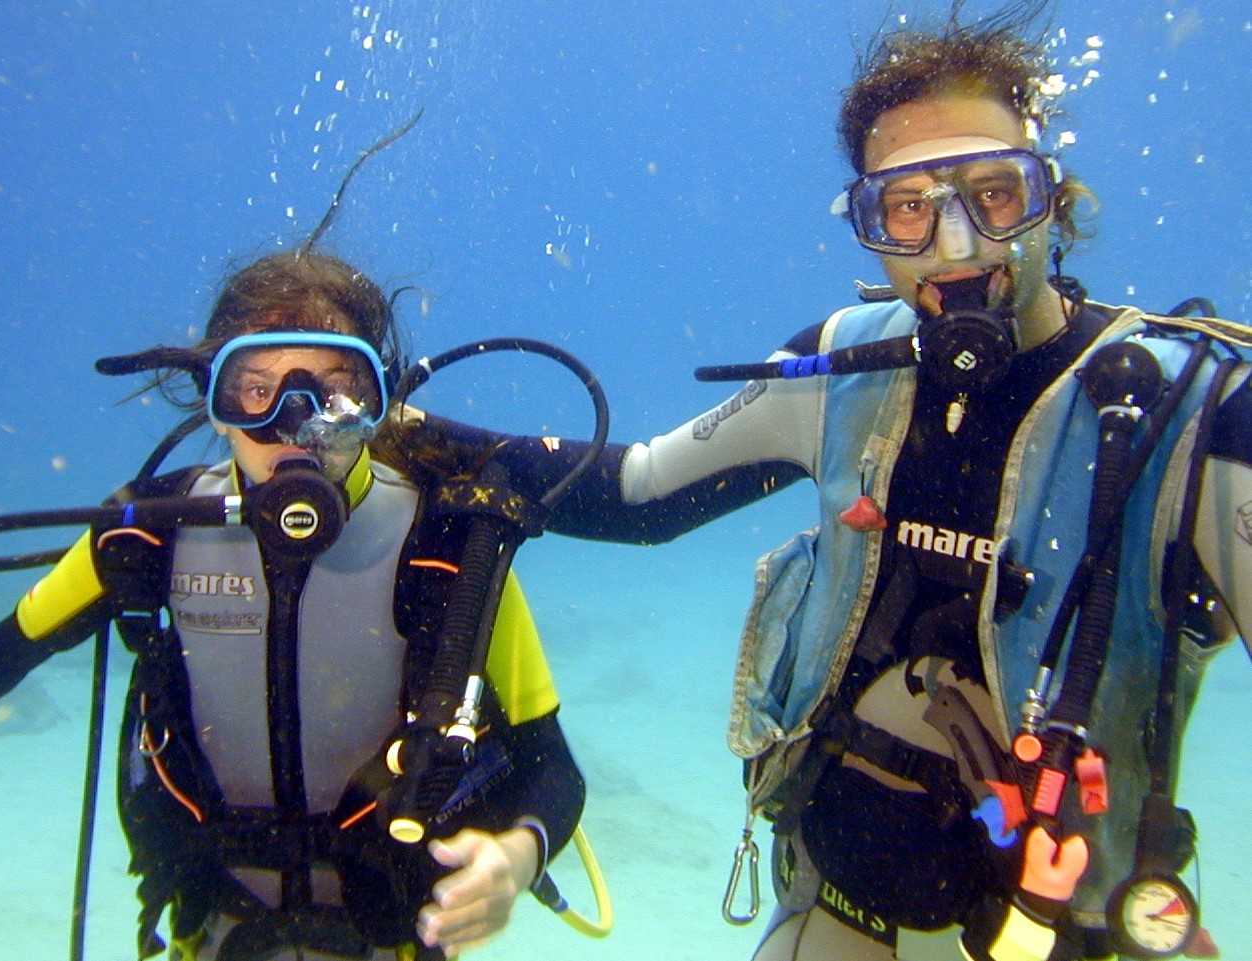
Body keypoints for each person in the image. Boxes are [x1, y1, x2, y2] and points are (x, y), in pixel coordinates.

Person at [396, 4, 1252, 960]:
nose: (956, 246)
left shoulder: (1200, 421)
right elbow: (636, 492)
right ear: (867, 224)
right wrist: (401, 434)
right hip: (831, 912)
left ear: (1055, 196)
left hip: (1078, 933)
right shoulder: (846, 369)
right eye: (909, 206)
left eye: (995, 195)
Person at [0, 248, 586, 961]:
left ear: (377, 406)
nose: (294, 425)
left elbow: (553, 768)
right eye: (255, 389)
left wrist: (515, 858)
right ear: (215, 405)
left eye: (332, 392)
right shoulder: (147, 535)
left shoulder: (450, 552)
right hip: (215, 937)